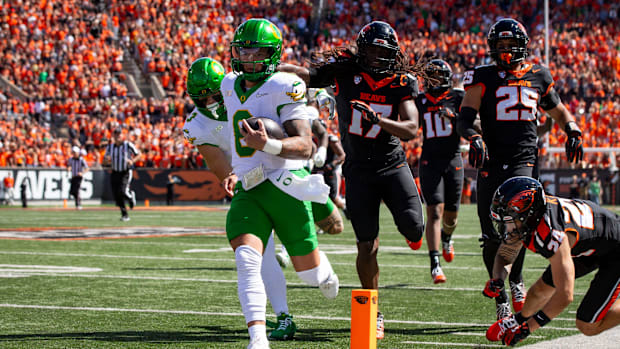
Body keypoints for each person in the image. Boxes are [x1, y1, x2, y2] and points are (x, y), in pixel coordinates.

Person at [279, 20, 425, 339]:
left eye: (381, 51)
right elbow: (306, 74)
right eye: (370, 50)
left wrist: (379, 119)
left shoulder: (401, 81)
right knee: (366, 245)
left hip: (392, 165)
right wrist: (274, 66)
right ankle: (374, 312)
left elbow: (412, 129)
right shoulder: (345, 72)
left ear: (393, 54)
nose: (375, 57)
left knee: (415, 228)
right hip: (358, 170)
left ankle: (412, 231)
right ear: (361, 51)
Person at [457, 18, 584, 320]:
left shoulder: (539, 75)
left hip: (523, 159)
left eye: (510, 45)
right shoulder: (482, 76)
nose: (504, 50)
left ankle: (515, 280)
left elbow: (559, 109)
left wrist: (573, 129)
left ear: (522, 47)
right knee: (490, 234)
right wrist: (473, 136)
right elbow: (464, 118)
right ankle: (500, 297)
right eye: (499, 45)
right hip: (491, 159)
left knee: (521, 221)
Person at [228, 19, 341, 348]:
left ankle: (325, 273)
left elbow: (304, 145)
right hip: (249, 189)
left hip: (284, 184)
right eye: (243, 49)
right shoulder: (227, 84)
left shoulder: (284, 85)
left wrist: (269, 145)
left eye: (257, 50)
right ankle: (258, 339)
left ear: (271, 54)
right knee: (248, 259)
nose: (248, 57)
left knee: (309, 273)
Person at [485, 176, 620, 346]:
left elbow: (565, 295)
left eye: (511, 220)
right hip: (589, 245)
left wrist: (528, 329)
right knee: (538, 290)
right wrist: (497, 278)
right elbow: (506, 252)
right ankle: (517, 320)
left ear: (530, 215)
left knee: (587, 324)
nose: (508, 229)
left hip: (615, 250)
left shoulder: (553, 233)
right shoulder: (534, 217)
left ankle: (521, 323)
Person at [415, 59, 464, 284]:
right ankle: (435, 264)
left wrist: (455, 118)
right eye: (430, 76)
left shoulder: (457, 97)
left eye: (438, 76)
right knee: (434, 211)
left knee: (451, 216)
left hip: (453, 158)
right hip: (430, 160)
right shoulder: (421, 100)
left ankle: (447, 238)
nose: (434, 81)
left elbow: (477, 123)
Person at [103, 127, 139, 221]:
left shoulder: (128, 145)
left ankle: (130, 197)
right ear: (113, 135)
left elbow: (138, 154)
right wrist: (106, 161)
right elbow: (105, 161)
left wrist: (132, 161)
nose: (118, 136)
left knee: (122, 191)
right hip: (115, 172)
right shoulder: (110, 147)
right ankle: (125, 214)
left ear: (122, 135)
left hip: (125, 172)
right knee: (116, 195)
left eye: (119, 134)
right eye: (116, 134)